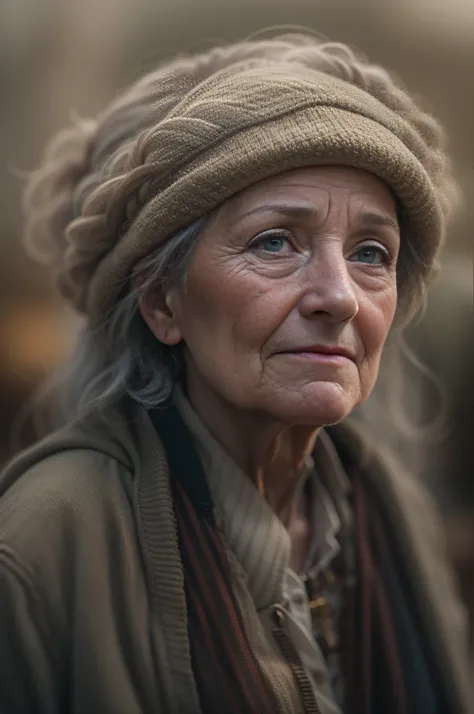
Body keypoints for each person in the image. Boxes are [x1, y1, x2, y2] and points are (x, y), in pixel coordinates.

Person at [0, 33, 471, 714]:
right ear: (164, 302)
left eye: (373, 252)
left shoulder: (391, 510)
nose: (339, 296)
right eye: (274, 241)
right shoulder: (42, 548)